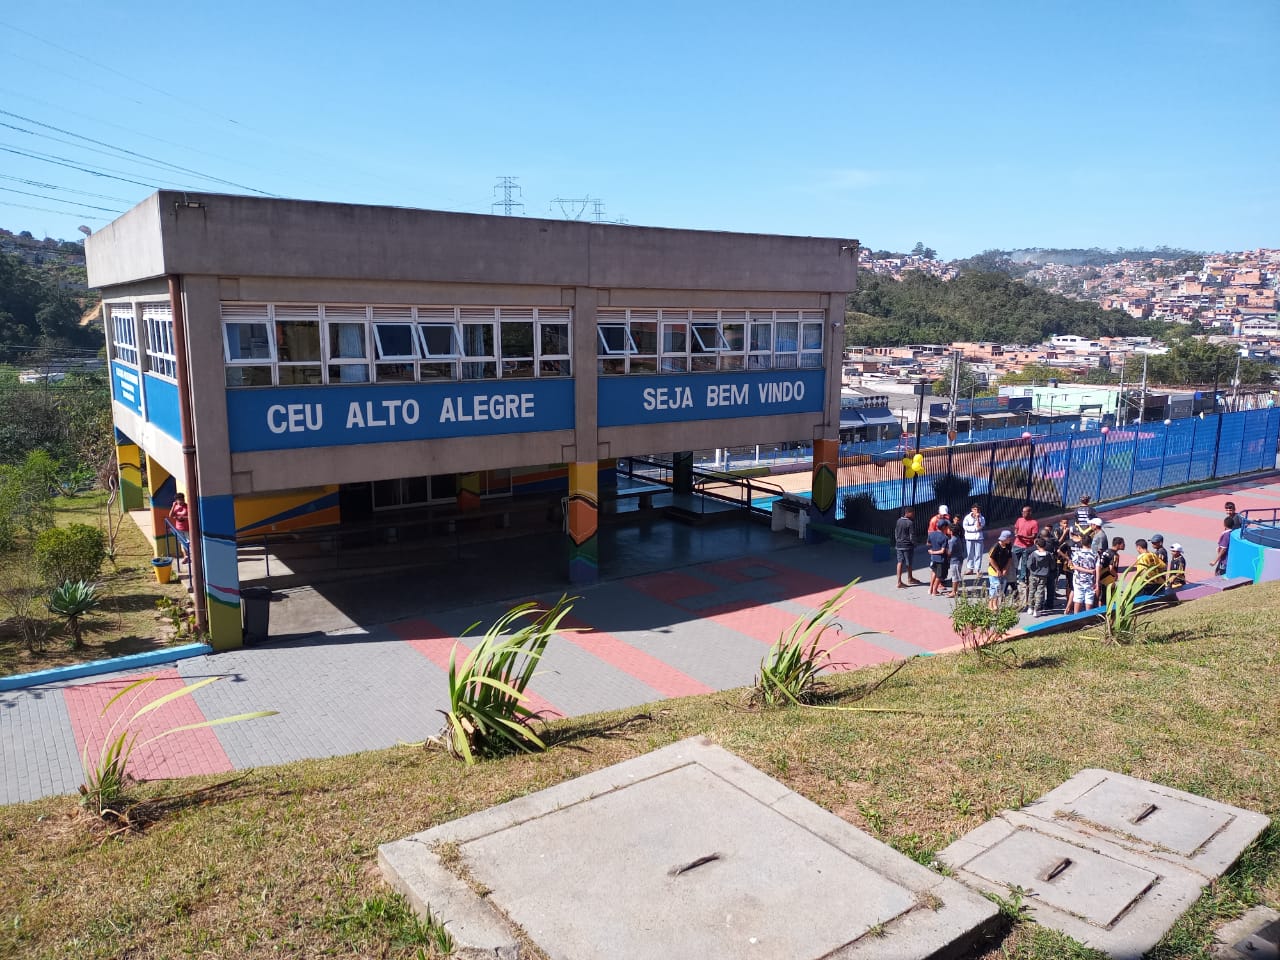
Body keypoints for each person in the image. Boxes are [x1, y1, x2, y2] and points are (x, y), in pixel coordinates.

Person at [1068, 531, 1100, 613]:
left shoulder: (1076, 554)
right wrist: (1097, 582)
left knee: (1078, 598)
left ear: (1082, 542)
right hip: (1090, 581)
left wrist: (1087, 571)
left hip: (1078, 580)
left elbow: (1075, 567)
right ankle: (1088, 621)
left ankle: (1076, 619)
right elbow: (1098, 568)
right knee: (1089, 599)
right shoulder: (1095, 554)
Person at [987, 530, 1014, 611]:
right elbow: (991, 559)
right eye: (1009, 538)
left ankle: (992, 603)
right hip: (993, 570)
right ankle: (993, 603)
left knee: (996, 587)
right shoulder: (996, 547)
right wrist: (997, 570)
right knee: (996, 585)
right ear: (1005, 538)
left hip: (1002, 570)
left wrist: (1005, 568)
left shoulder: (1008, 546)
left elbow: (1009, 558)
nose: (1010, 540)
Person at [895, 507, 922, 589]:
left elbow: (895, 532)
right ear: (908, 513)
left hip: (899, 545)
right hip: (907, 546)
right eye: (913, 513)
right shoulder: (910, 523)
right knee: (908, 563)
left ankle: (899, 581)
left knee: (900, 562)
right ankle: (910, 578)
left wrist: (898, 541)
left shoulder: (898, 521)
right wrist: (915, 543)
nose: (914, 515)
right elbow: (911, 536)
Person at [1012, 505, 1038, 587]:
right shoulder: (1019, 520)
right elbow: (1016, 528)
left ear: (1030, 512)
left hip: (1027, 547)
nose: (1023, 513)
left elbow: (1034, 536)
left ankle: (1022, 579)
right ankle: (1012, 578)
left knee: (1024, 564)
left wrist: (1023, 537)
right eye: (1022, 512)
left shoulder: (1034, 523)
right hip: (1017, 545)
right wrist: (1016, 533)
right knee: (1014, 562)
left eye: (1025, 512)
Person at [1027, 537, 1054, 616]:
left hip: (1033, 575)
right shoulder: (1048, 554)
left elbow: (1029, 564)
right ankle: (1037, 609)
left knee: (1032, 591)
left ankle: (1030, 607)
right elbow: (1052, 565)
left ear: (1037, 545)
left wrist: (1032, 570)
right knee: (1040, 592)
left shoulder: (1033, 554)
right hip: (1043, 576)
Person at [1097, 536, 1124, 605]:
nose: (1124, 545)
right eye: (1123, 544)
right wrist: (1116, 575)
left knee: (1102, 597)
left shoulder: (1106, 551)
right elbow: (1111, 568)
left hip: (1101, 577)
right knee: (1108, 596)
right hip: (1107, 579)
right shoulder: (1114, 555)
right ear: (1118, 545)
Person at [927, 520, 950, 596]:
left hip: (933, 558)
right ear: (944, 527)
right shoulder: (945, 538)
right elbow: (942, 551)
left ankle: (930, 588)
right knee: (939, 576)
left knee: (934, 572)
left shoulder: (931, 534)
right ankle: (934, 590)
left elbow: (928, 543)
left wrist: (932, 550)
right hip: (941, 559)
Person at [962, 503, 986, 575]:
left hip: (978, 538)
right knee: (970, 554)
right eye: (975, 509)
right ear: (972, 510)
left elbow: (979, 527)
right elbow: (965, 527)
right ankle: (970, 568)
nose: (976, 511)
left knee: (978, 554)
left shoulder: (982, 518)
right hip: (969, 538)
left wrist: (978, 519)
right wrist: (974, 529)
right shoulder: (967, 518)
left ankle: (977, 569)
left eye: (978, 509)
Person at [168, 492, 190, 562]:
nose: (181, 501)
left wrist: (183, 517)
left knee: (188, 542)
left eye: (182, 500)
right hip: (179, 528)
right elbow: (170, 515)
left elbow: (191, 516)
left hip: (187, 528)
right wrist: (173, 506)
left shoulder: (187, 506)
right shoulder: (176, 506)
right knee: (183, 543)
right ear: (176, 500)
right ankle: (186, 557)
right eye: (179, 500)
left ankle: (189, 556)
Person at [945, 523, 965, 598]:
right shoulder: (957, 537)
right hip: (959, 559)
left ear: (951, 531)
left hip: (955, 561)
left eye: (948, 529)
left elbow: (949, 553)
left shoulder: (952, 541)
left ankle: (954, 592)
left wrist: (945, 550)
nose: (947, 530)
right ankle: (955, 590)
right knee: (956, 576)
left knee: (955, 577)